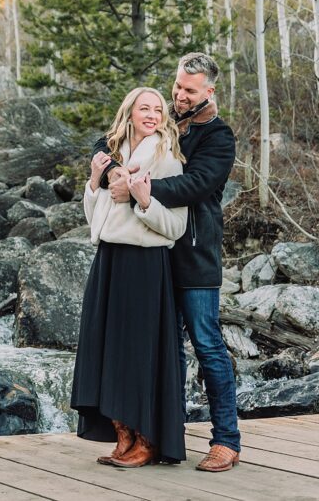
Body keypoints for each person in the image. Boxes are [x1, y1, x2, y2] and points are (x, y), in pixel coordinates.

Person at [95, 52, 241, 473]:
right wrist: (110, 177)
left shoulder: (218, 136)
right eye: (177, 86)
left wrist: (140, 186)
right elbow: (106, 142)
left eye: (188, 90)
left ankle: (226, 441)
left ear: (209, 92)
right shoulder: (162, 122)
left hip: (194, 258)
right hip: (152, 256)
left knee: (208, 345)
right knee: (164, 354)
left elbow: (196, 184)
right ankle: (161, 438)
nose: (178, 95)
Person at [70, 87, 188, 468]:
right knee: (107, 349)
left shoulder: (166, 159)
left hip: (143, 265)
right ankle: (122, 434)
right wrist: (94, 182)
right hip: (109, 260)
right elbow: (97, 220)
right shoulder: (114, 156)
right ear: (130, 113)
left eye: (158, 109)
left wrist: (143, 199)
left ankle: (146, 439)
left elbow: (175, 228)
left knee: (137, 353)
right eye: (144, 108)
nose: (152, 114)